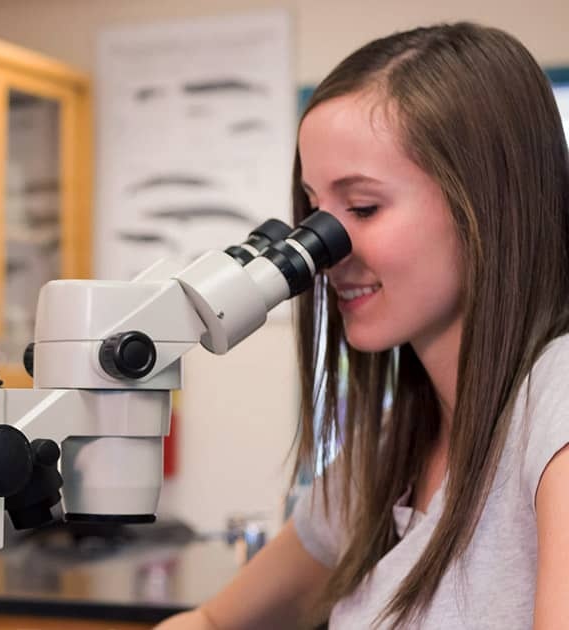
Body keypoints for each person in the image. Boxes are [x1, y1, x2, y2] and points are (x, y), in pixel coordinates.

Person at [157, 22, 569, 629]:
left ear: (484, 203)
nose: (323, 251)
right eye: (314, 208)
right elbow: (216, 623)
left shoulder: (555, 401)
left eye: (363, 207)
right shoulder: (390, 449)